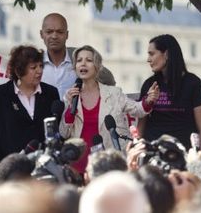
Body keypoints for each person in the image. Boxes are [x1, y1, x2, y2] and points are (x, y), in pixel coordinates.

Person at [60, 45, 159, 173]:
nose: (83, 64)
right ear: (75, 67)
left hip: (107, 163)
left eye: (88, 60)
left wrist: (149, 100)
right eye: (79, 61)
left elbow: (138, 110)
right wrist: (70, 109)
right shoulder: (70, 95)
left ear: (97, 66)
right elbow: (63, 133)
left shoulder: (114, 93)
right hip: (77, 164)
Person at [0, 45, 60, 165]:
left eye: (41, 66)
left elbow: (58, 130)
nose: (39, 71)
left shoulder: (51, 93)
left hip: (45, 166)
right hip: (12, 170)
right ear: (19, 70)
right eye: (33, 67)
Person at [137, 34, 201, 156]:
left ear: (166, 54)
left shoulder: (193, 83)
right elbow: (140, 127)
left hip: (184, 158)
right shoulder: (149, 84)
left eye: (152, 54)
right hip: (153, 157)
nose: (148, 59)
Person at [40, 13, 116, 99]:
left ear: (67, 35)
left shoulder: (79, 59)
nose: (54, 36)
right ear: (41, 34)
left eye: (60, 32)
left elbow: (109, 80)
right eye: (49, 32)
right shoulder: (36, 64)